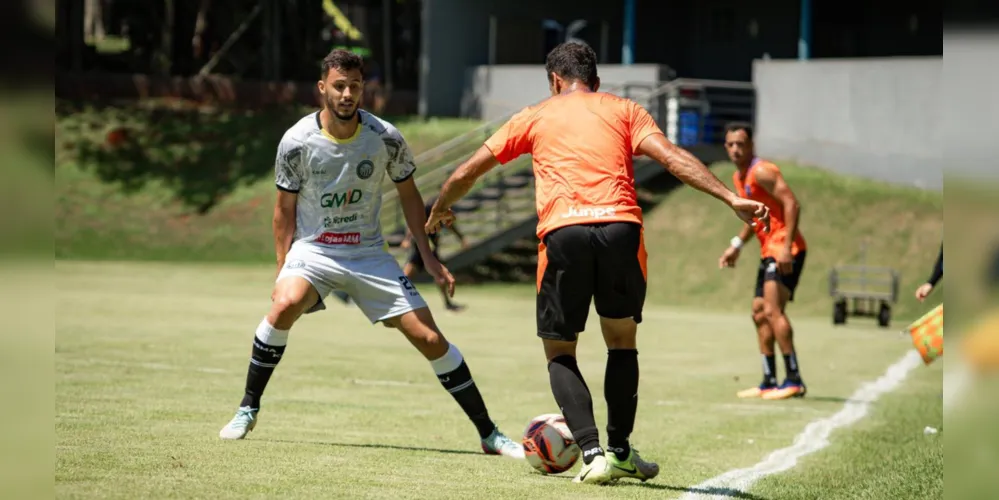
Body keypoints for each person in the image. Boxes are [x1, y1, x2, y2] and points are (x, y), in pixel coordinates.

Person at [425, 41, 770, 485]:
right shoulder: (625, 109)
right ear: (596, 82)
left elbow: (469, 170)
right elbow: (672, 158)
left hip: (564, 233)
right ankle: (621, 450)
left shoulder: (534, 116)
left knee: (559, 350)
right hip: (620, 230)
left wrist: (441, 207)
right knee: (622, 341)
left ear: (554, 81)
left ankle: (591, 454)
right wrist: (729, 196)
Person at [218, 49, 523, 460]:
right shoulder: (296, 142)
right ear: (322, 87)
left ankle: (489, 434)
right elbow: (283, 212)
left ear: (364, 89)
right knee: (285, 303)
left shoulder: (385, 138)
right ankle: (247, 408)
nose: (347, 94)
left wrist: (429, 259)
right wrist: (283, 268)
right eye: (339, 86)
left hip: (369, 254)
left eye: (355, 86)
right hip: (314, 251)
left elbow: (411, 197)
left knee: (430, 338)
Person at [718, 122, 808, 401]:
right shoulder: (740, 177)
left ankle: (794, 379)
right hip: (768, 249)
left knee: (772, 310)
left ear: (751, 146)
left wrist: (786, 248)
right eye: (731, 144)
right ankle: (769, 380)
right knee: (759, 312)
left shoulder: (762, 171)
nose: (735, 149)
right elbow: (754, 217)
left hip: (784, 249)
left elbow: (792, 204)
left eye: (741, 144)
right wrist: (736, 245)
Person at [401, 199, 469, 311]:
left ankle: (447, 303)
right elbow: (414, 221)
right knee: (406, 276)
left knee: (440, 277)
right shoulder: (430, 207)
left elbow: (450, 226)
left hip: (432, 248)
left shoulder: (445, 209)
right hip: (421, 246)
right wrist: (407, 239)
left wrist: (462, 238)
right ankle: (397, 301)